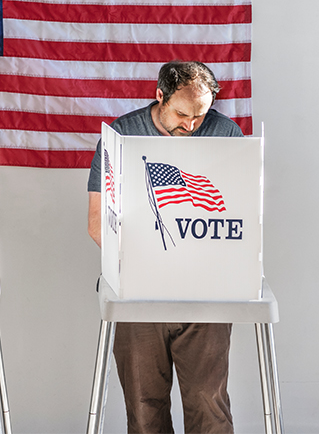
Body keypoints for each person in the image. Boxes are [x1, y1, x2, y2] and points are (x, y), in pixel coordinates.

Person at [87, 61, 243, 434]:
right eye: (181, 113)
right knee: (144, 407)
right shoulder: (122, 134)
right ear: (160, 95)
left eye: (200, 115)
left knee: (209, 404)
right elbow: (97, 223)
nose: (190, 125)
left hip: (207, 294)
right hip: (139, 291)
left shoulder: (226, 133)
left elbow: (243, 215)